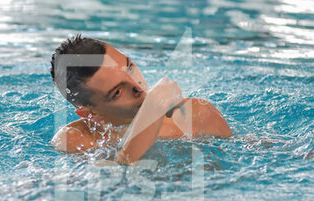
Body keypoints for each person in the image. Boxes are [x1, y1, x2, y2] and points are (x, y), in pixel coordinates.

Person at [50, 34, 232, 164]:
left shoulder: (197, 114)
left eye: (130, 68)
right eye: (118, 92)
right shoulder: (75, 139)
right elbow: (116, 178)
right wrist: (153, 110)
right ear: (91, 113)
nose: (137, 86)